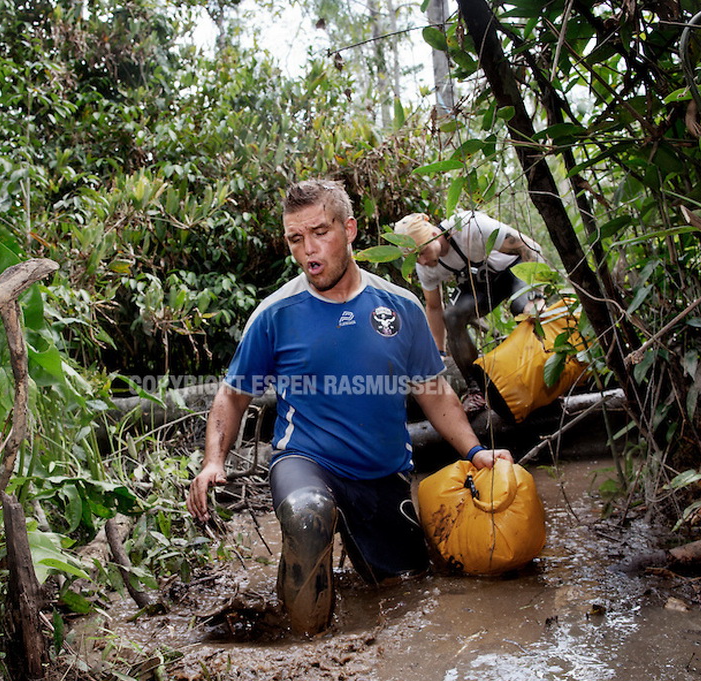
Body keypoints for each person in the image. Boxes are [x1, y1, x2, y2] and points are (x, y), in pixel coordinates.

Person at [187, 180, 511, 636]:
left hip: (383, 474)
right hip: (308, 461)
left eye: (320, 233)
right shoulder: (276, 313)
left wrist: (476, 453)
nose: (308, 250)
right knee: (306, 514)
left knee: (409, 592)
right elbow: (232, 393)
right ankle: (306, 652)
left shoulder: (401, 308)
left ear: (350, 229)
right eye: (295, 239)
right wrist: (213, 462)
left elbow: (434, 393)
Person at [394, 211, 546, 412]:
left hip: (514, 271)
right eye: (414, 257)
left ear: (433, 235)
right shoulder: (425, 266)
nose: (420, 261)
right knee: (452, 316)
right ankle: (478, 390)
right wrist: (438, 353)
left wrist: (536, 296)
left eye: (421, 252)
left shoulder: (470, 227)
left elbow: (531, 248)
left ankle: (543, 370)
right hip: (482, 287)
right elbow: (434, 307)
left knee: (522, 309)